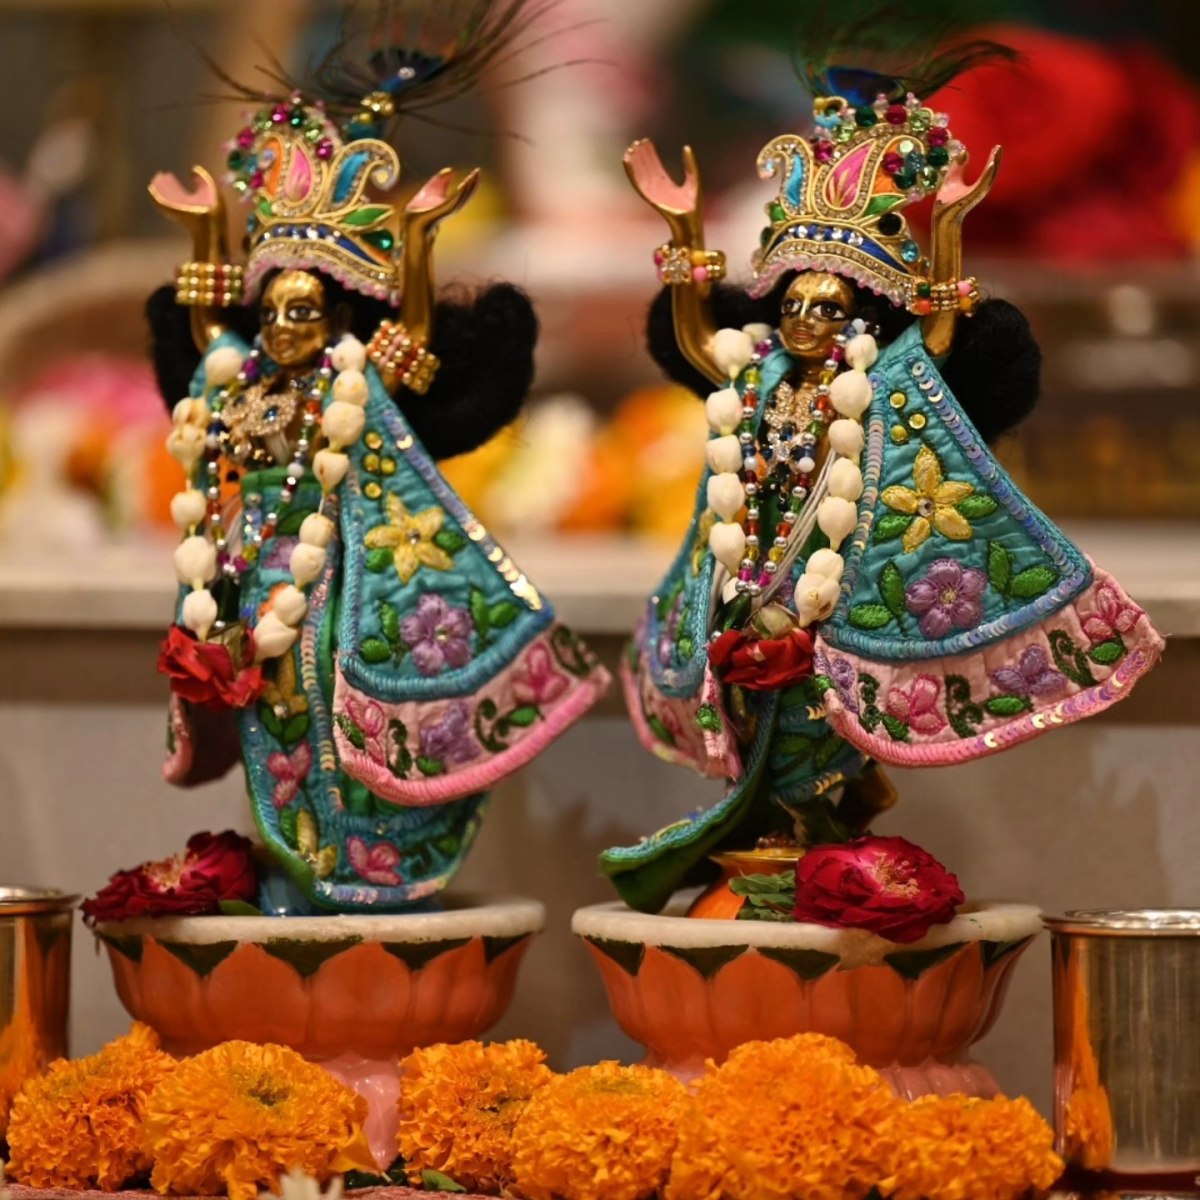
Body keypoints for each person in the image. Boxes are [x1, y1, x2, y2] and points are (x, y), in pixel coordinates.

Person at [606, 61, 1164, 913]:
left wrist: (950, 230)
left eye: (827, 308)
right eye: (795, 303)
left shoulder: (877, 382)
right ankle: (778, 847)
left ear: (855, 320)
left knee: (812, 729)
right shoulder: (754, 372)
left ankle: (815, 837)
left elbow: (938, 333)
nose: (804, 319)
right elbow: (691, 339)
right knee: (749, 718)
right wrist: (683, 230)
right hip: (748, 580)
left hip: (834, 592)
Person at [147, 3, 609, 913]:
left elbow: (416, 340)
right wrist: (204, 237)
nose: (285, 325)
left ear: (335, 317)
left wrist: (422, 241)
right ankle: (293, 867)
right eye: (273, 310)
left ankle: (363, 872)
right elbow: (202, 341)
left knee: (343, 726)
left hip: (347, 592)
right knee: (274, 725)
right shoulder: (240, 381)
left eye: (304, 311)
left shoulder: (355, 382)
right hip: (256, 588)